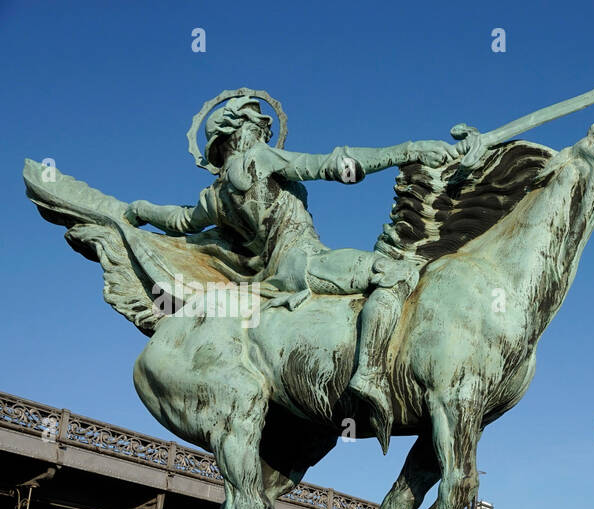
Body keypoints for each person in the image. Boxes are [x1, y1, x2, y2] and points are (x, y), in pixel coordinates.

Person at [124, 93, 485, 453]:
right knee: (395, 273)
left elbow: (179, 220)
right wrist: (409, 151)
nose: (264, 131)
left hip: (277, 273)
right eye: (257, 125)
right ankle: (370, 373)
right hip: (306, 261)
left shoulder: (214, 195)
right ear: (238, 132)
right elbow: (332, 165)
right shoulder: (259, 159)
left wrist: (142, 209)